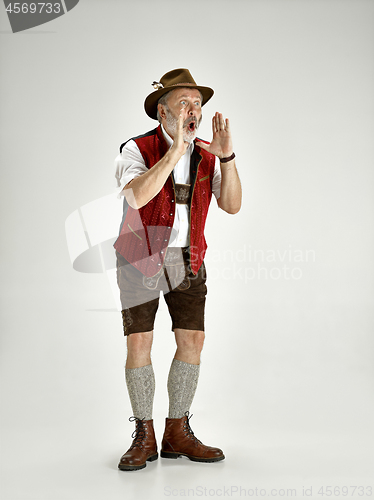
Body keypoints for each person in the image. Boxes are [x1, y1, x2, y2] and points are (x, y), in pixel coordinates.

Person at [113, 68, 242, 471]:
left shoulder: (207, 153)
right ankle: (144, 434)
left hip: (188, 260)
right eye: (184, 103)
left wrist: (226, 157)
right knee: (140, 345)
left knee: (193, 341)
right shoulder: (135, 149)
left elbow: (232, 205)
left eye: (198, 103)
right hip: (139, 259)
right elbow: (136, 197)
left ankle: (176, 432)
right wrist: (175, 152)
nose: (194, 110)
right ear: (162, 112)